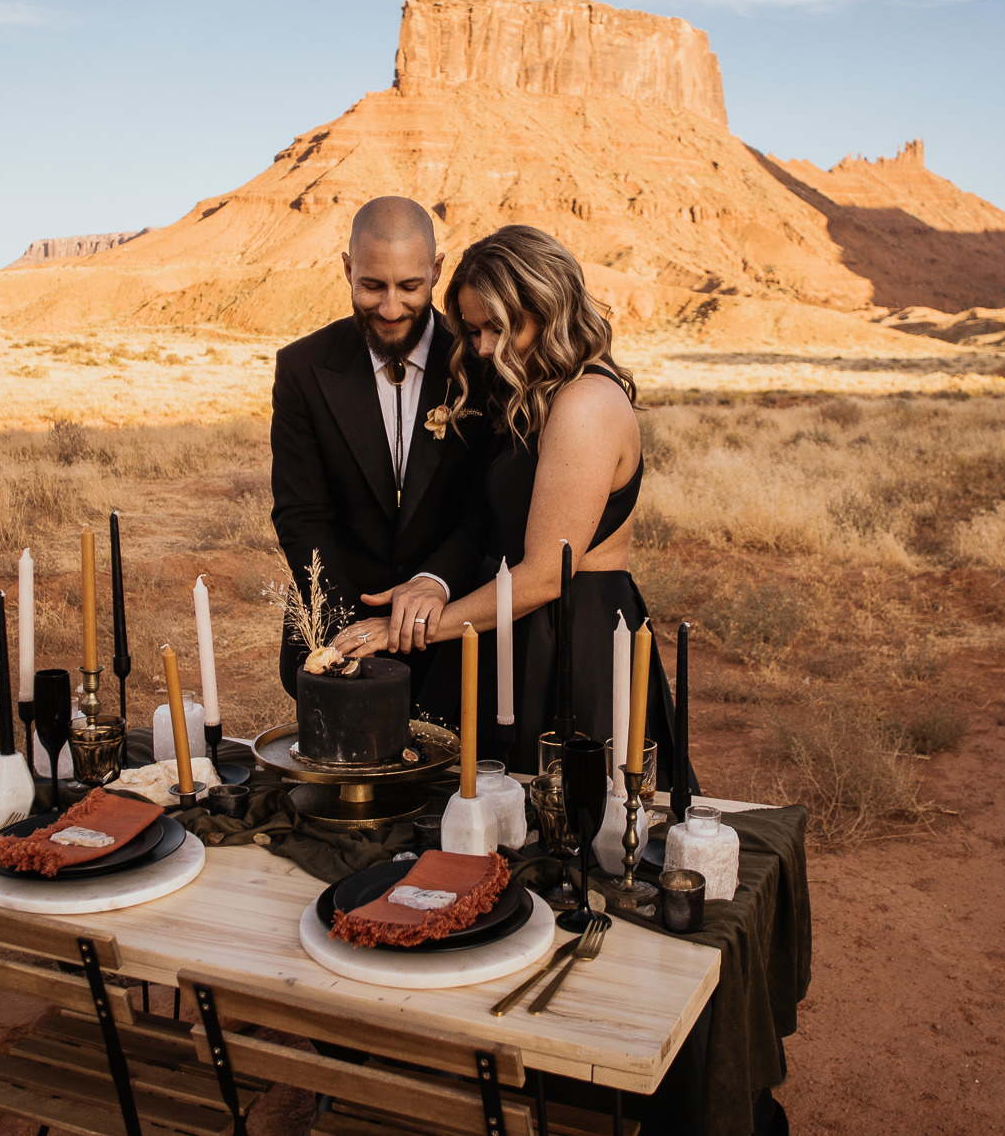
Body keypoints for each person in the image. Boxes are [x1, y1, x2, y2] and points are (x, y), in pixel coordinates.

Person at [333, 224, 691, 786]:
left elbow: (547, 576)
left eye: (497, 327)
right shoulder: (540, 393)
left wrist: (408, 630)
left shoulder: (585, 404)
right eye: (474, 330)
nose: (480, 349)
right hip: (511, 625)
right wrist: (435, 583)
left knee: (561, 829)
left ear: (547, 307)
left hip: (568, 639)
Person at [269, 196, 491, 700]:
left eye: (410, 286)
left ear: (436, 271)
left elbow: (483, 508)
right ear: (347, 270)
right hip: (335, 639)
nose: (391, 308)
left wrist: (436, 581)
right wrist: (351, 637)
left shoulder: (480, 363)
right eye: (371, 285)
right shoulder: (302, 368)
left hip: (453, 642)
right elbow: (301, 513)